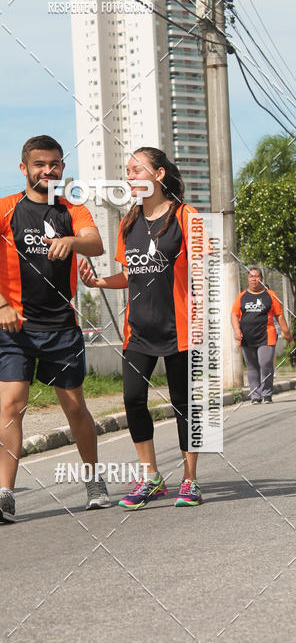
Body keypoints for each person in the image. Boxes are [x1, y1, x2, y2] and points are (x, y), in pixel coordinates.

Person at [0, 134, 109, 523]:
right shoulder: (2, 209)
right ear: (24, 168)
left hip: (61, 328)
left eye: (55, 164)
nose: (48, 170)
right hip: (14, 328)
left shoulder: (71, 209)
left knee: (74, 406)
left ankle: (94, 482)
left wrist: (73, 241)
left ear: (63, 168)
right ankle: (6, 494)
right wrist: (0, 303)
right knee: (12, 405)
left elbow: (95, 244)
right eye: (40, 164)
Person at [79, 146, 203, 509]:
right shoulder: (128, 222)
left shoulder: (186, 216)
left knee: (183, 404)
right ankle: (150, 477)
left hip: (179, 327)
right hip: (138, 330)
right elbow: (132, 274)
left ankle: (190, 480)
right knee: (133, 399)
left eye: (136, 170)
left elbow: (202, 272)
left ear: (159, 175)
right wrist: (100, 283)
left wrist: (203, 320)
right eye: (128, 171)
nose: (129, 177)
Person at [231, 267, 292, 404]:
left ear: (261, 279)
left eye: (257, 276)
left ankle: (267, 393)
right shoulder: (242, 296)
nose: (254, 279)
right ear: (248, 279)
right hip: (247, 337)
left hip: (267, 335)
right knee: (252, 367)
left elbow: (279, 315)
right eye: (251, 277)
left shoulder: (270, 295)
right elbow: (234, 314)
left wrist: (286, 331)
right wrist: (236, 330)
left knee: (265, 364)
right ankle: (256, 396)